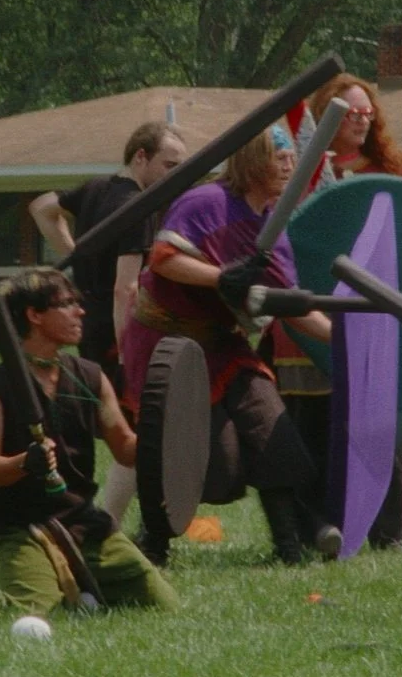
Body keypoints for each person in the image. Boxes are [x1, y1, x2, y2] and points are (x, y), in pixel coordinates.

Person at [120, 125, 341, 565]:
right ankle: (154, 540)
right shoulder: (206, 202)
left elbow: (287, 305)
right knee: (215, 463)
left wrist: (345, 338)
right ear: (251, 159)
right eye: (276, 154)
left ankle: (288, 548)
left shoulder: (272, 226)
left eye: (289, 157)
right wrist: (220, 276)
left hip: (225, 345)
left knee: (274, 434)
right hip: (169, 341)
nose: (286, 163)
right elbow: (164, 260)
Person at [0, 269, 177, 613]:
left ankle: (83, 585)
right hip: (23, 528)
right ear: (34, 315)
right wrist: (26, 461)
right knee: (38, 613)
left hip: (85, 522)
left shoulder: (90, 376)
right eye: (66, 304)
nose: (80, 312)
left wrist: (168, 441)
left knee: (163, 605)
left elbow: (126, 450)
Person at [270, 74, 402, 548]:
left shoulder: (390, 170)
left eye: (367, 114)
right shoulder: (293, 172)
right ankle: (321, 526)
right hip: (310, 317)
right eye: (351, 114)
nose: (361, 121)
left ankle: (387, 532)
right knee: (310, 428)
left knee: (376, 425)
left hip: (375, 314)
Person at [29, 123, 186, 526]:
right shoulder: (138, 207)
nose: (174, 175)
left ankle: (87, 516)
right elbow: (127, 289)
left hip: (87, 319)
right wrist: (128, 350)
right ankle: (105, 524)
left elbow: (42, 208)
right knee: (131, 428)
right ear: (140, 157)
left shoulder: (97, 187)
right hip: (115, 328)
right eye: (169, 165)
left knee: (103, 424)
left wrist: (78, 258)